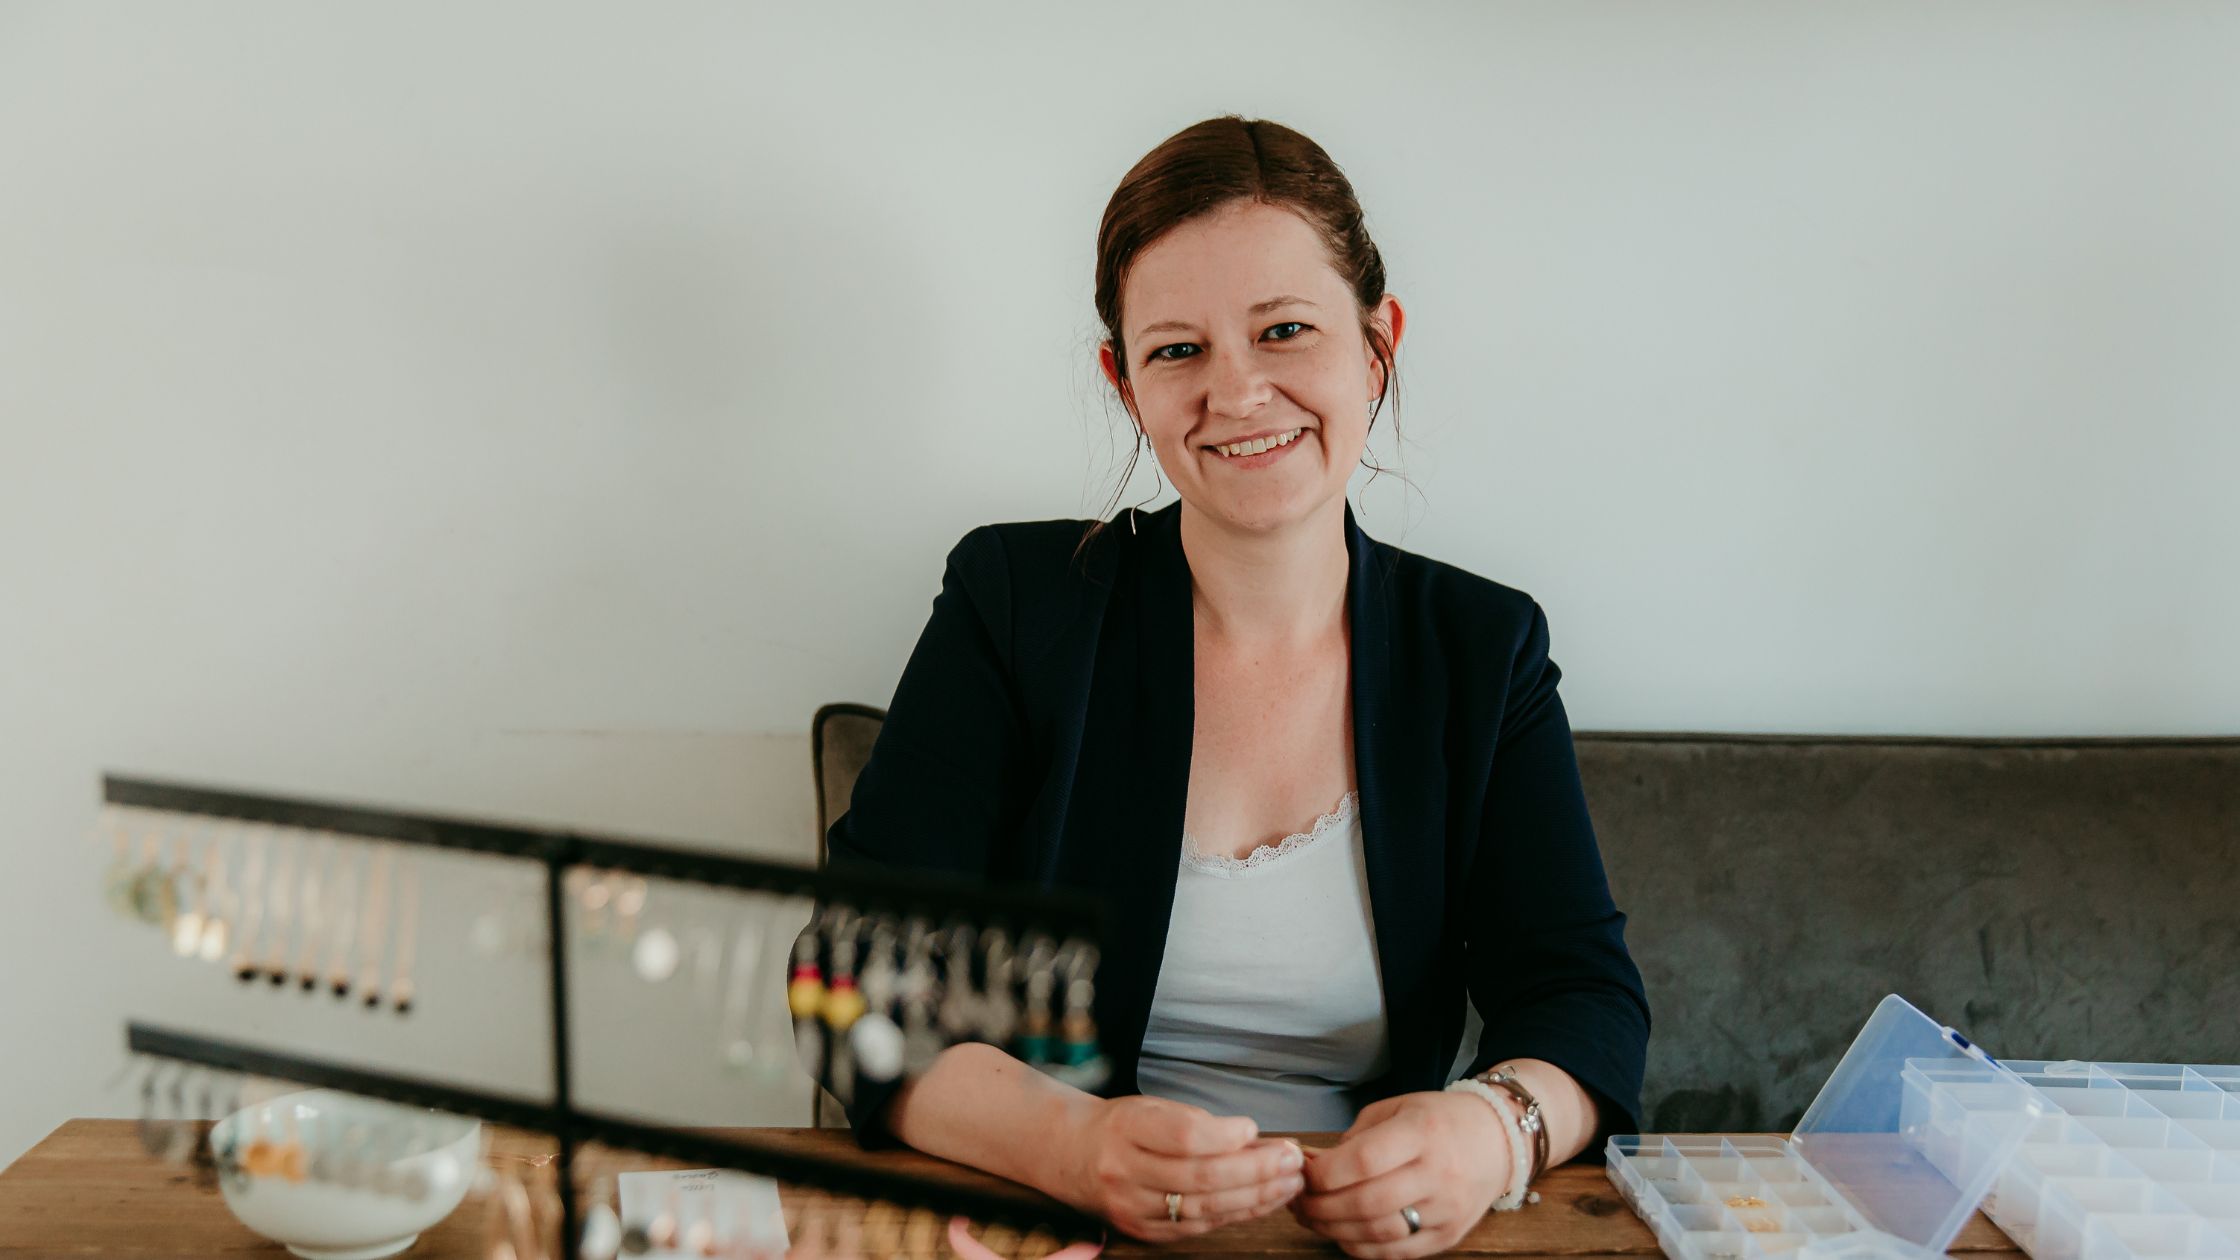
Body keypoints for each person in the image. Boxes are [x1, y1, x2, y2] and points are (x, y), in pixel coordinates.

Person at [806, 116, 1650, 1258]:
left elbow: (1583, 998)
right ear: (1123, 383)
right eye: (1177, 351)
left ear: (1377, 346)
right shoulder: (1013, 604)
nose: (1239, 393)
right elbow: (852, 990)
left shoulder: (1481, 647)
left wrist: (1488, 1133)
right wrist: (1074, 1146)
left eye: (1284, 330)